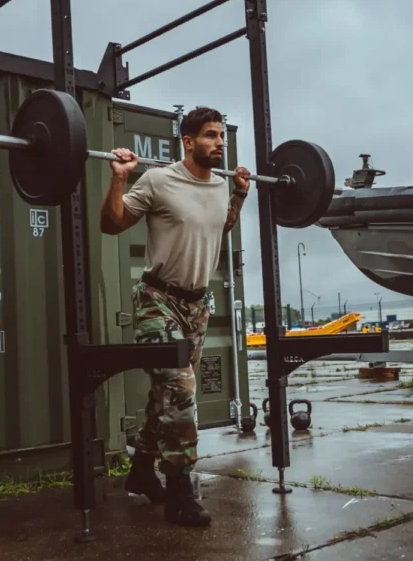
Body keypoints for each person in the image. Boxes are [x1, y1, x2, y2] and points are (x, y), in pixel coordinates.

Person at [99, 106, 250, 527]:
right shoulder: (158, 180)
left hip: (197, 307)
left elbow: (221, 226)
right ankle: (181, 490)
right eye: (210, 135)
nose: (219, 142)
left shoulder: (220, 186)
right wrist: (118, 178)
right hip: (156, 300)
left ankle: (142, 470)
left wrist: (238, 194)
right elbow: (111, 224)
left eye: (221, 135)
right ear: (187, 141)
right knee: (182, 390)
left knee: (166, 397)